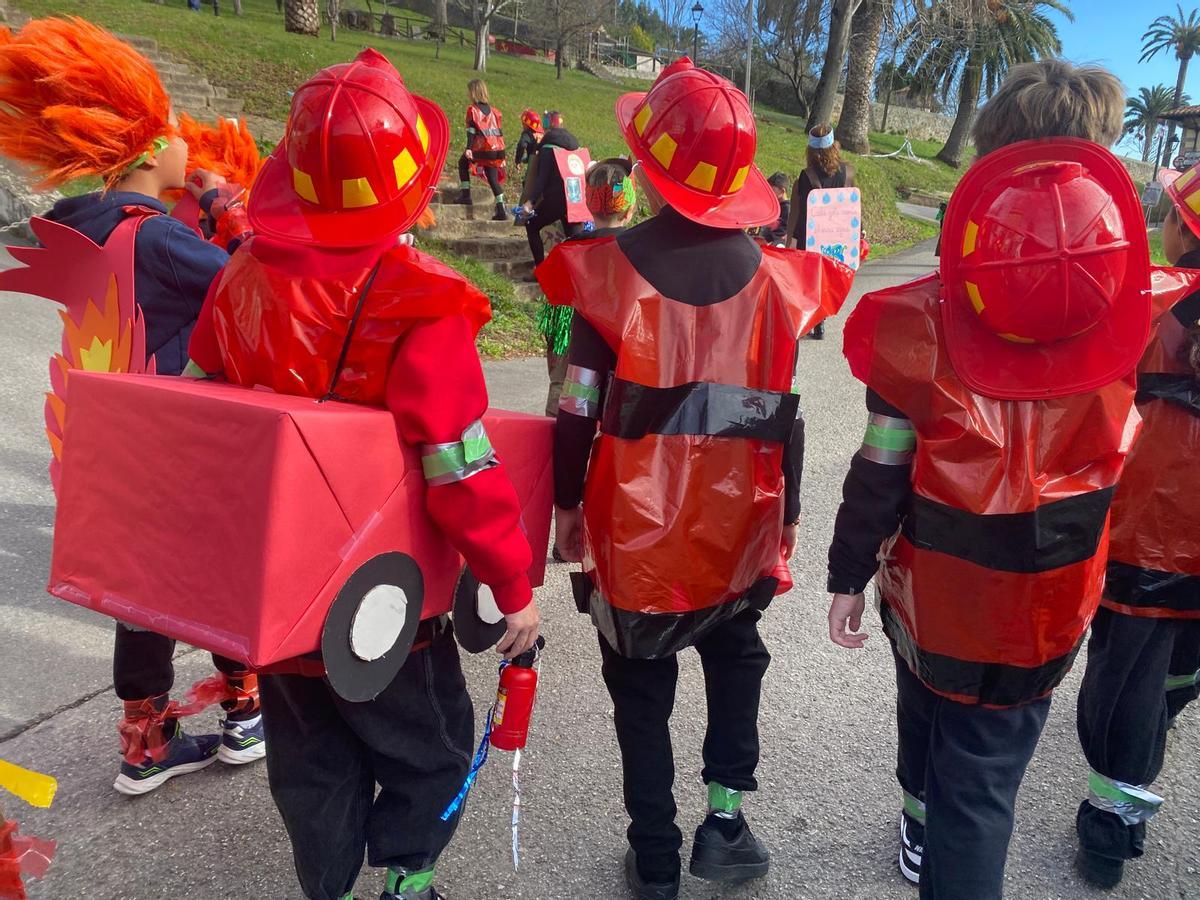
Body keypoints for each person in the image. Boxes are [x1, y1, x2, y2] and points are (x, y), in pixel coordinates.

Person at [824, 60, 1199, 900]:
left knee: (923, 704)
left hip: (932, 586)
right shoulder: (1149, 309)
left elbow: (881, 466)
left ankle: (920, 829)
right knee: (984, 786)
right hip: (1051, 601)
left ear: (989, 160)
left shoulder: (912, 320)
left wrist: (847, 574)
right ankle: (938, 836)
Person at [187, 49, 541, 900]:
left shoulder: (238, 276)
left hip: (275, 598)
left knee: (311, 768)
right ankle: (406, 885)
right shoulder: (419, 303)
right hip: (384, 605)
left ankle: (335, 889)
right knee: (436, 747)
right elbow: (459, 468)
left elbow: (201, 420)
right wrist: (514, 587)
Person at [538, 58, 852, 900]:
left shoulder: (605, 272)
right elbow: (786, 411)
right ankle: (723, 822)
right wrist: (790, 512)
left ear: (648, 163)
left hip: (635, 530)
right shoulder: (783, 281)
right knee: (735, 652)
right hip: (741, 517)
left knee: (639, 682)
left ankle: (652, 853)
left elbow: (575, 408)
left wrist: (566, 507)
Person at [0, 16, 261, 795]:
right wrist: (230, 218)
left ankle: (144, 742)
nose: (190, 148)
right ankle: (244, 716)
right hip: (179, 443)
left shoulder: (82, 226)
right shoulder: (157, 235)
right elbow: (247, 295)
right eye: (178, 136)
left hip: (108, 449)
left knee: (137, 594)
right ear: (151, 152)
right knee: (222, 575)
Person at [1072, 160, 1200, 889]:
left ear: (1181, 227)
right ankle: (1159, 728)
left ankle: (1109, 826)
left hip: (1147, 535)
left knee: (1125, 681)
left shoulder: (1148, 304)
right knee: (1177, 671)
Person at [537, 157, 638, 420]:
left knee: (566, 402)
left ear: (587, 204)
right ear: (629, 209)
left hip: (572, 358)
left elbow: (556, 313)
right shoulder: (641, 252)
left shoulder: (567, 253)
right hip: (623, 362)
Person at [786, 124, 856, 340]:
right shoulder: (848, 172)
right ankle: (823, 318)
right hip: (839, 237)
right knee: (828, 280)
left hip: (811, 238)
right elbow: (852, 206)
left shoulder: (806, 177)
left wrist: (791, 240)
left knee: (812, 281)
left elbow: (799, 212)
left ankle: (816, 321)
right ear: (834, 145)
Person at [519, 111, 587, 265]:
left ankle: (541, 270)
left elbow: (541, 179)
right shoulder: (574, 145)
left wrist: (530, 202)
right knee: (574, 240)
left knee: (532, 225)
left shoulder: (548, 146)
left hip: (557, 197)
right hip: (576, 197)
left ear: (547, 127)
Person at [455, 78, 507, 221]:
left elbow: (471, 131)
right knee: (493, 179)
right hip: (497, 149)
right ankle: (501, 209)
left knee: (462, 163)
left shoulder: (473, 110)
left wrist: (468, 148)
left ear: (473, 92)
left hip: (481, 149)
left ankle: (466, 195)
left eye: (469, 91)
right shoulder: (495, 112)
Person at [757, 172, 790, 245]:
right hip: (763, 238)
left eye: (772, 191)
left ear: (782, 191)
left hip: (773, 243)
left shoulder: (787, 209)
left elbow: (782, 232)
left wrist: (766, 240)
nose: (770, 193)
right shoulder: (772, 204)